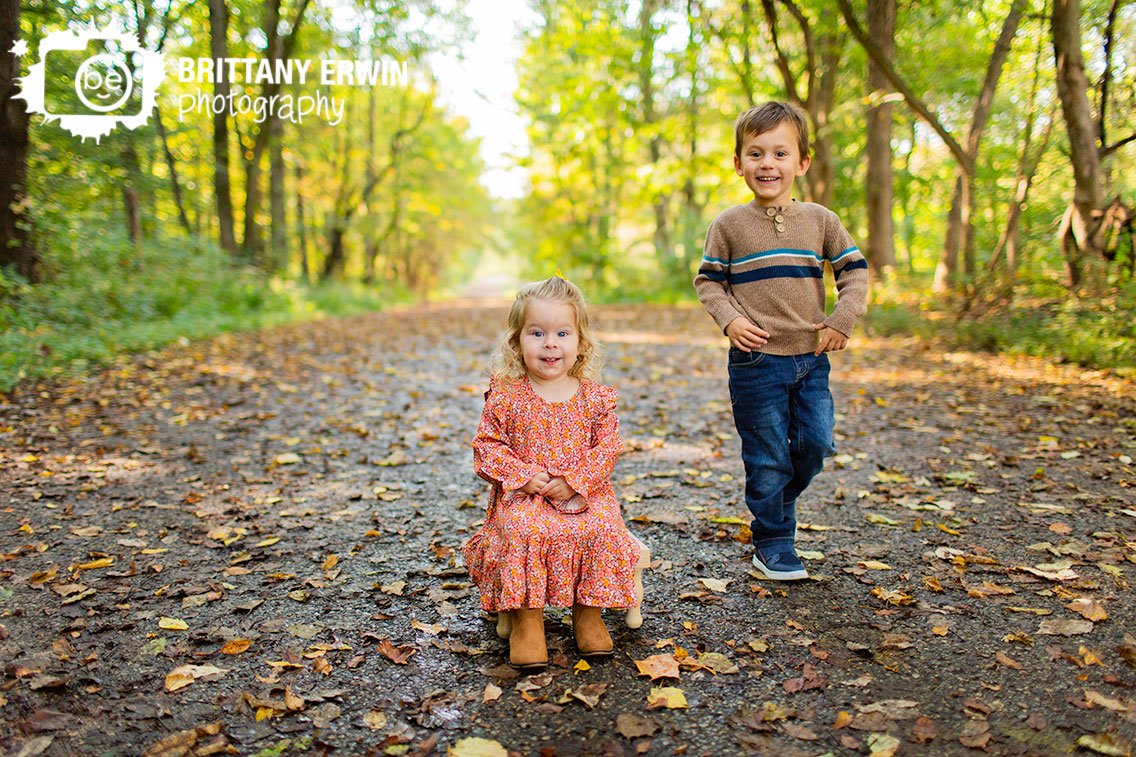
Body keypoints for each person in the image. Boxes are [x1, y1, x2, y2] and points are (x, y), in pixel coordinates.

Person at [694, 101, 869, 580]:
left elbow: (854, 271)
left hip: (811, 356)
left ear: (801, 162)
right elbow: (709, 282)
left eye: (779, 153)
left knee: (816, 442)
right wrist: (730, 320)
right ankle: (773, 541)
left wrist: (842, 319)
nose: (767, 164)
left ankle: (777, 500)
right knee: (767, 453)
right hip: (755, 361)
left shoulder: (821, 219)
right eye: (755, 154)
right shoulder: (728, 225)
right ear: (738, 164)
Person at [462, 276, 650, 670]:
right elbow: (487, 446)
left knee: (601, 529)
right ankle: (527, 620)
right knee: (522, 531)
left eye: (563, 333)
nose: (550, 343)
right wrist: (521, 475)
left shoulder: (594, 397)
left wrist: (575, 480)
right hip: (525, 495)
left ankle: (588, 612)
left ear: (580, 343)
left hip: (582, 495)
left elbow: (607, 447)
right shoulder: (508, 395)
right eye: (537, 333)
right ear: (516, 343)